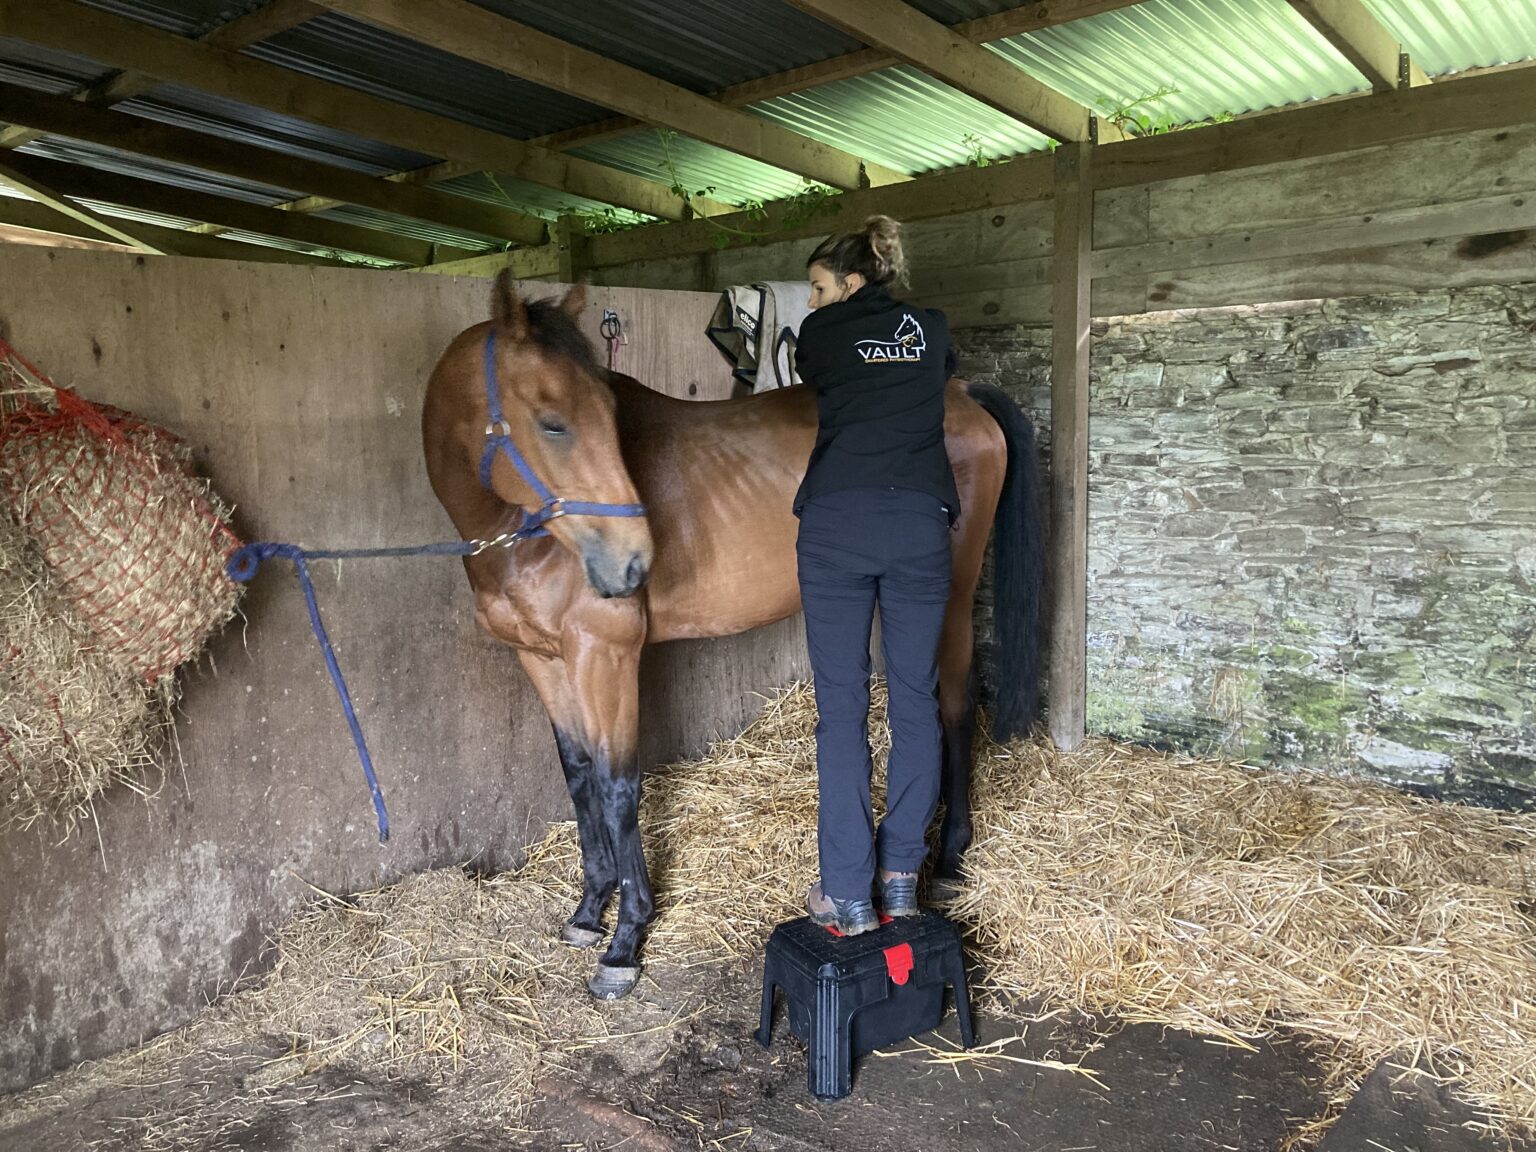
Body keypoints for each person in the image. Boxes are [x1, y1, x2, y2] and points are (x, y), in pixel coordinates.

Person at [793, 215, 959, 936]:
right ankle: (900, 880)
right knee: (916, 698)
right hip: (921, 522)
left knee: (843, 707)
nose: (811, 302)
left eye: (818, 287)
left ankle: (847, 893)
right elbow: (926, 376)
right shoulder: (932, 328)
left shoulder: (821, 336)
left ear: (851, 281)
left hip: (838, 525)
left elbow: (820, 381)